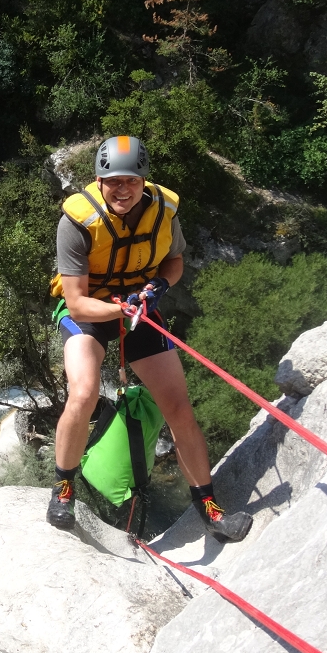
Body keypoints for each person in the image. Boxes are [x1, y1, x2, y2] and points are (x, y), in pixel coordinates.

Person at [47, 135, 252, 543]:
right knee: (84, 391)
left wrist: (158, 285)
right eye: (113, 181)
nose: (123, 189)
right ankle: (63, 489)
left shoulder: (162, 212)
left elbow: (174, 262)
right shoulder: (75, 223)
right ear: (98, 181)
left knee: (178, 406)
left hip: (139, 306)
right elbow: (77, 302)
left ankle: (209, 510)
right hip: (91, 312)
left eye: (132, 181)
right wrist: (121, 310)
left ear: (144, 180)